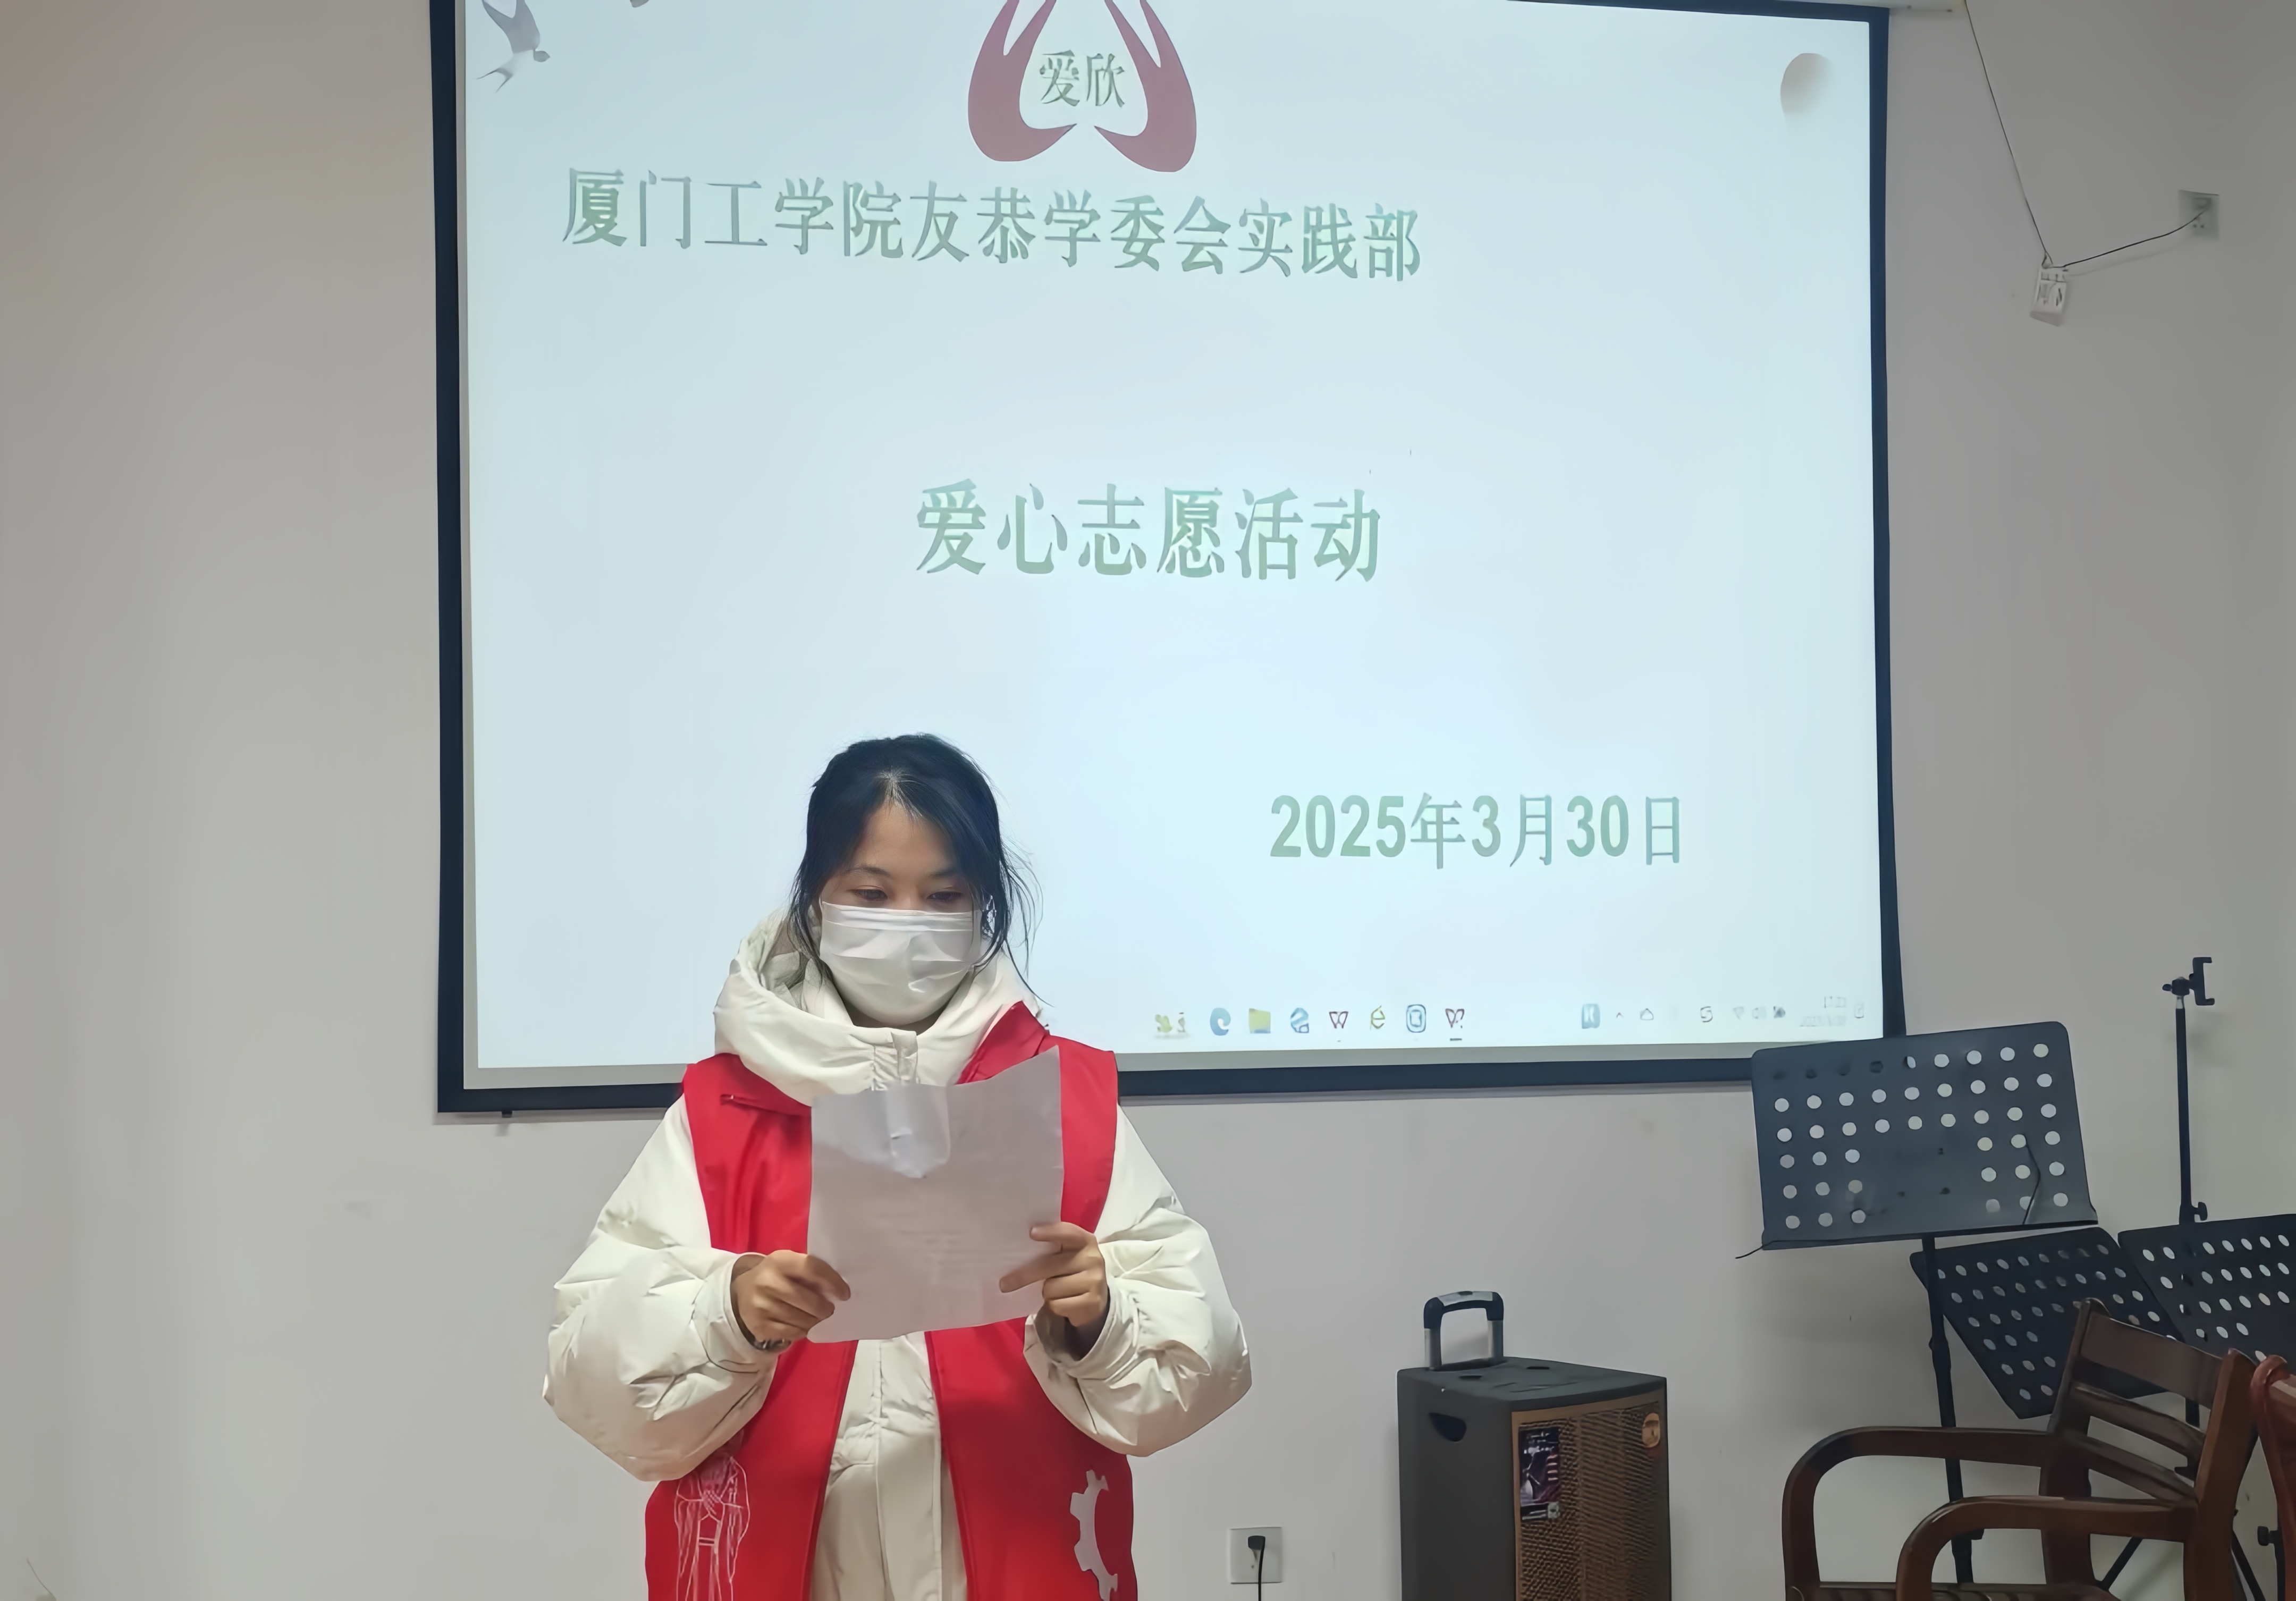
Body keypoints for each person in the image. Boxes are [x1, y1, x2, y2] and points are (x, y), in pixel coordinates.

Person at [546, 735, 1252, 1601]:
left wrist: (1100, 1320)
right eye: (873, 894)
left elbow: (1202, 1363)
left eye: (944, 897)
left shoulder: (1062, 1102)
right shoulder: (723, 1114)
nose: (909, 924)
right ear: (816, 899)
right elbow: (591, 1380)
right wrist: (724, 1313)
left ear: (984, 907)